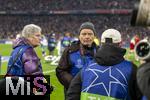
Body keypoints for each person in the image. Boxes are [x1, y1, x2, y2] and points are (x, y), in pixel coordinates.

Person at [66, 29, 142, 100]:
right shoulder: (131, 69)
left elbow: (72, 94)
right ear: (120, 43)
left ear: (101, 43)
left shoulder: (87, 67)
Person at [56, 22, 98, 99]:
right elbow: (61, 71)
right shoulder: (70, 50)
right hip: (73, 93)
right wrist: (74, 84)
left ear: (94, 36)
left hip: (93, 93)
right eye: (84, 34)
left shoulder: (99, 51)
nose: (87, 37)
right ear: (79, 36)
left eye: (90, 34)